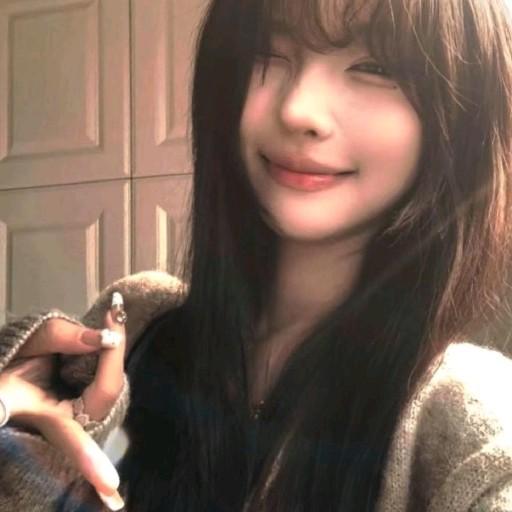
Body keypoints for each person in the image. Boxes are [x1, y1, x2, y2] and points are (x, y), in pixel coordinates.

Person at [1, 0, 512, 510]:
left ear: (466, 113)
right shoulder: (136, 320)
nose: (297, 110)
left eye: (377, 65)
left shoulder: (473, 429)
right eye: (267, 51)